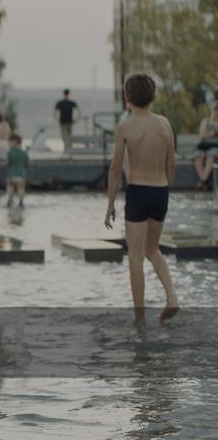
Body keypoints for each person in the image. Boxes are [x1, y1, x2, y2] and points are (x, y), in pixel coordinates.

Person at [105, 74, 179, 325]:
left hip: (137, 192)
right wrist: (165, 187)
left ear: (127, 97)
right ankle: (172, 297)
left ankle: (139, 319)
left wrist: (110, 204)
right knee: (153, 249)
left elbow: (115, 169)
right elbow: (172, 163)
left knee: (135, 255)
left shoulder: (125, 128)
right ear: (153, 96)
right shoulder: (164, 124)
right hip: (160, 190)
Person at [193, 103, 218, 189]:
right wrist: (213, 134)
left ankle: (202, 180)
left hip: (215, 146)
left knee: (211, 155)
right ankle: (203, 180)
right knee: (198, 156)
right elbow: (202, 134)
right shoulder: (206, 121)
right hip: (203, 146)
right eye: (215, 110)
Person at [5, 134, 29, 208]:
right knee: (21, 188)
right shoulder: (24, 152)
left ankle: (10, 200)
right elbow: (26, 163)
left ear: (14, 142)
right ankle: (21, 201)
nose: (9, 144)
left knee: (10, 187)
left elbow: (7, 163)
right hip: (21, 174)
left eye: (9, 142)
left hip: (11, 174)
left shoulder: (9, 152)